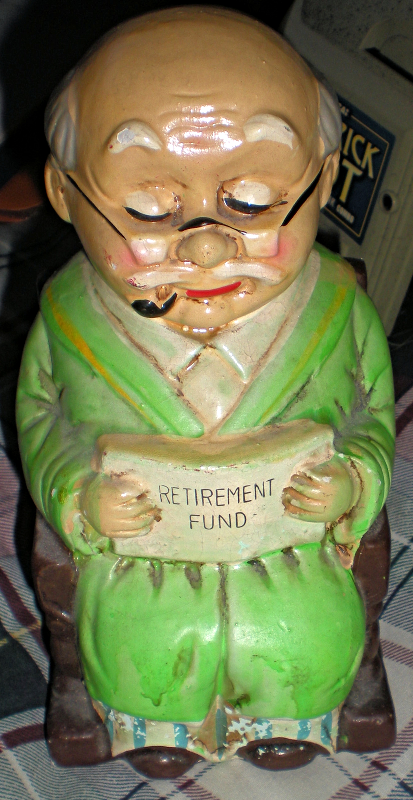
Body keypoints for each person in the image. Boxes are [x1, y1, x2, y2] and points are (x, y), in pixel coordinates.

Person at [16, 7, 395, 777]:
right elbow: (40, 417)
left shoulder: (338, 309)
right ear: (64, 193)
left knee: (303, 637)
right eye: (149, 209)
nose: (208, 245)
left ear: (321, 179)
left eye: (251, 199)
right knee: (144, 647)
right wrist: (78, 495)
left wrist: (353, 479)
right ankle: (161, 725)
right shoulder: (66, 318)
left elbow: (371, 411)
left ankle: (287, 715)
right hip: (142, 565)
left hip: (291, 554)